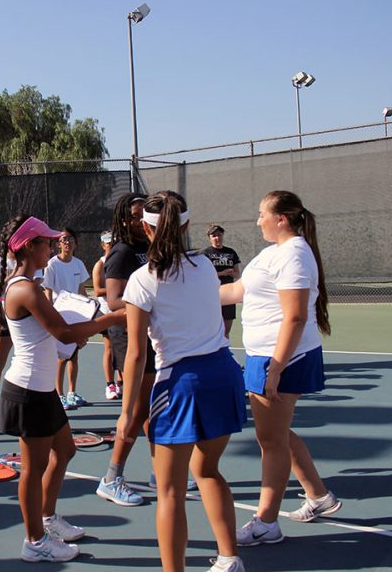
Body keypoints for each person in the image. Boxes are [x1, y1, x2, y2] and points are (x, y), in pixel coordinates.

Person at [119, 192, 247, 572]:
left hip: (180, 384)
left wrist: (127, 413)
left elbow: (136, 353)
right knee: (207, 471)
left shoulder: (141, 280)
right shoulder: (206, 266)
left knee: (169, 491)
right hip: (224, 373)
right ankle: (229, 559)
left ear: (145, 227)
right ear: (188, 226)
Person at [0, 215, 124, 563]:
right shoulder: (25, 289)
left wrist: (75, 338)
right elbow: (64, 332)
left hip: (40, 390)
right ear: (28, 247)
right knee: (32, 470)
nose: (52, 246)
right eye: (46, 242)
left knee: (64, 451)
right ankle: (34, 542)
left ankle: (47, 519)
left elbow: (60, 336)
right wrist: (112, 318)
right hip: (27, 392)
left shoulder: (27, 284)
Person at [220, 190, 341, 547]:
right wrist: (188, 290)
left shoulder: (295, 256)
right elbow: (237, 291)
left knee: (269, 439)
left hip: (281, 359)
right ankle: (319, 496)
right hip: (265, 356)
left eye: (262, 214)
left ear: (281, 219)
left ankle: (266, 522)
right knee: (278, 433)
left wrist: (275, 368)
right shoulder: (272, 253)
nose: (258, 220)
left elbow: (296, 315)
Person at [96, 192, 156, 507]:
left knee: (149, 408)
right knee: (133, 411)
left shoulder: (149, 248)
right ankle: (111, 477)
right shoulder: (120, 253)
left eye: (144, 214)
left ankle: (159, 470)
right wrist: (148, 304)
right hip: (128, 335)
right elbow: (115, 299)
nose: (140, 219)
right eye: (134, 215)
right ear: (123, 219)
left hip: (152, 334)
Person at [0, 229, 45, 418]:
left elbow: (35, 286)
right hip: (3, 320)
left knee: (28, 363)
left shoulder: (32, 261)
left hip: (23, 321)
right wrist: (17, 277)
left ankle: (37, 404)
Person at [42, 228, 90, 409]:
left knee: (74, 355)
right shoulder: (52, 265)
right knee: (61, 357)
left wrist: (88, 311)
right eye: (63, 240)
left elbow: (82, 291)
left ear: (75, 243)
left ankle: (72, 392)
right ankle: (59, 395)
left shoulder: (78, 264)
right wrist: (51, 318)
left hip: (76, 315)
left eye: (70, 239)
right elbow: (48, 293)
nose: (67, 242)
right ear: (58, 244)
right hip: (59, 316)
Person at [92, 230, 121, 400]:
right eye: (108, 243)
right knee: (109, 349)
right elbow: (97, 290)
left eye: (113, 242)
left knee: (123, 348)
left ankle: (121, 383)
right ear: (103, 245)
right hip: (106, 312)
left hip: (121, 311)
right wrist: (116, 290)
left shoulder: (121, 261)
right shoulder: (100, 264)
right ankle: (110, 384)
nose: (111, 245)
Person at [201, 224, 241, 338]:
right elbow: (204, 275)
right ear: (210, 238)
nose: (217, 238)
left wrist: (230, 273)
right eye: (214, 235)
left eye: (219, 235)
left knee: (226, 330)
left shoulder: (231, 252)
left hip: (229, 294)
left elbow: (237, 273)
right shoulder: (205, 254)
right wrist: (222, 273)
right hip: (213, 294)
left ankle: (225, 352)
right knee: (213, 330)